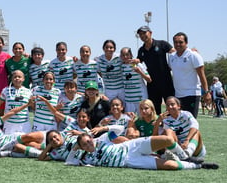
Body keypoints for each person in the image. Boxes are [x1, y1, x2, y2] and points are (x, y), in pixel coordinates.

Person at [71, 128, 218, 170]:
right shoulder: (86, 159)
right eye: (85, 144)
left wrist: (103, 128)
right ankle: (198, 165)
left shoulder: (101, 140)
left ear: (91, 138)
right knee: (172, 166)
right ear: (82, 147)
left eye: (88, 140)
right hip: (129, 161)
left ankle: (185, 157)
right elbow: (69, 161)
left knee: (167, 139)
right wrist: (76, 147)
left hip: (130, 146)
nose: (88, 144)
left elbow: (119, 128)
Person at [168, 32, 211, 118]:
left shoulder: (194, 56)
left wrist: (206, 92)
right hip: (178, 95)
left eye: (180, 42)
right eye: (175, 42)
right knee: (179, 122)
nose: (178, 44)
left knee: (191, 123)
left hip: (192, 94)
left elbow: (202, 75)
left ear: (186, 43)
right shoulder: (172, 57)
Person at [154, 96, 207, 162]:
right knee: (167, 132)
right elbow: (156, 138)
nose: (170, 107)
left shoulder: (186, 114)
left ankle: (187, 153)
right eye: (167, 105)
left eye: (172, 104)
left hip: (193, 147)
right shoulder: (165, 121)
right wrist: (158, 122)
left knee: (196, 132)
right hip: (179, 149)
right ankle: (182, 155)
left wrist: (187, 140)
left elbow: (195, 125)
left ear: (178, 106)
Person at [136, 26, 174, 115]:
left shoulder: (162, 44)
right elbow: (138, 61)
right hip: (152, 83)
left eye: (144, 33)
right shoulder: (141, 50)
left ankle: (172, 125)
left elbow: (175, 52)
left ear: (150, 33)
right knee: (154, 107)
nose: (142, 36)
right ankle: (157, 126)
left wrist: (171, 65)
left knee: (170, 104)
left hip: (166, 81)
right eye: (140, 34)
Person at [0, 70, 32, 134]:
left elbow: (33, 107)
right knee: (8, 143)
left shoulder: (28, 92)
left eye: (19, 77)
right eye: (15, 77)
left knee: (25, 143)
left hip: (24, 124)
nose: (17, 78)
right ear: (11, 79)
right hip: (9, 124)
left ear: (23, 79)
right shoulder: (5, 90)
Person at [120, 47, 150, 113]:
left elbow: (149, 79)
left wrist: (140, 72)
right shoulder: (121, 66)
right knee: (130, 120)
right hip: (129, 99)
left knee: (143, 118)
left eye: (127, 54)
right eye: (123, 55)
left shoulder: (138, 65)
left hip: (140, 98)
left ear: (131, 55)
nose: (125, 57)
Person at [96, 39, 125, 104]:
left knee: (123, 108)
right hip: (109, 90)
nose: (109, 49)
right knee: (110, 109)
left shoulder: (119, 57)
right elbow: (98, 72)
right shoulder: (99, 59)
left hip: (121, 89)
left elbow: (128, 61)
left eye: (111, 47)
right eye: (106, 47)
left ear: (114, 49)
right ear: (103, 48)